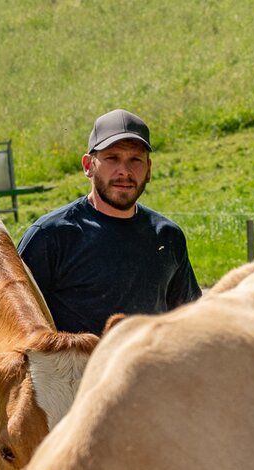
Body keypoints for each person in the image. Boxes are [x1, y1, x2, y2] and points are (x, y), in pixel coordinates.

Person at [17, 109, 202, 336]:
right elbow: (13, 322)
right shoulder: (51, 236)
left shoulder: (167, 237)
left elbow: (188, 319)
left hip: (148, 368)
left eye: (135, 160)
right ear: (88, 165)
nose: (124, 171)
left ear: (149, 169)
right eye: (112, 158)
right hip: (78, 372)